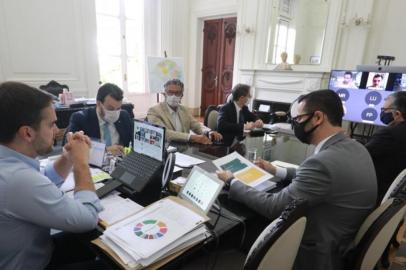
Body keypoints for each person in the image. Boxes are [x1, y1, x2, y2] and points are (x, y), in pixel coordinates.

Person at [217, 90, 377, 270]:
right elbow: (317, 177)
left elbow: (274, 207)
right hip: (342, 236)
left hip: (315, 251)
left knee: (232, 234)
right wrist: (275, 170)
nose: (294, 125)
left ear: (317, 117)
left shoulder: (323, 162)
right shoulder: (356, 147)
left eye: (298, 120)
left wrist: (233, 182)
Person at [0, 82, 103, 269]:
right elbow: (88, 219)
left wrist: (69, 156)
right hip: (34, 264)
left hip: (37, 248)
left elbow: (45, 178)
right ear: (28, 133)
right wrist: (81, 162)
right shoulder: (17, 179)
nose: (57, 131)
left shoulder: (9, 160)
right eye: (52, 124)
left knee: (98, 244)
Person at [147, 79, 222, 144]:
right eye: (170, 92)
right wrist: (192, 137)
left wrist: (208, 132)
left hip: (184, 149)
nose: (173, 96)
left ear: (181, 95)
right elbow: (164, 133)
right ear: (164, 94)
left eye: (177, 93)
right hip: (166, 150)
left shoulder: (184, 109)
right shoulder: (154, 110)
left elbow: (196, 125)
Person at [67, 83, 133, 155]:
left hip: (121, 161)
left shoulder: (124, 116)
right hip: (92, 164)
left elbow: (134, 144)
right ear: (98, 103)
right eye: (110, 108)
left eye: (118, 108)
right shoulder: (81, 119)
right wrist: (105, 151)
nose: (115, 112)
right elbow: (72, 151)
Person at [365, 91, 406, 202]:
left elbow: (362, 156)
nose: (382, 113)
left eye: (384, 110)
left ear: (397, 114)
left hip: (377, 195)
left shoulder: (388, 134)